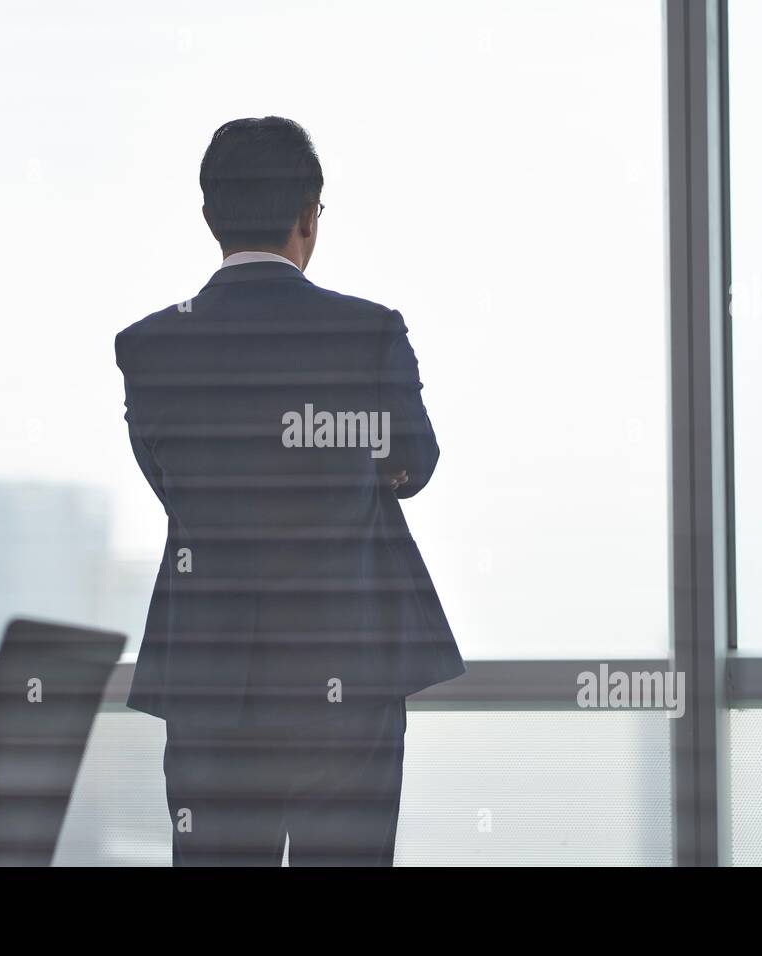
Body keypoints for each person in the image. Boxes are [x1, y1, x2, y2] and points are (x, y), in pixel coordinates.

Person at [114, 116, 465, 866]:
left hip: (210, 681)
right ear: (309, 215)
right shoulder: (367, 331)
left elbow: (169, 481)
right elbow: (417, 461)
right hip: (350, 672)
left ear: (209, 216)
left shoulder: (149, 347)